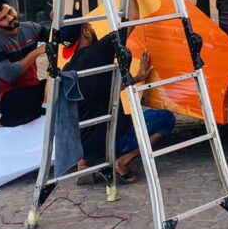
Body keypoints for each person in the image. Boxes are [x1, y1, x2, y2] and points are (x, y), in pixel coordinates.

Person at [61, 17, 176, 183]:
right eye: (89, 26)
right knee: (166, 119)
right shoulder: (98, 52)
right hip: (113, 137)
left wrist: (138, 77)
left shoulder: (68, 69)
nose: (92, 28)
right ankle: (123, 162)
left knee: (90, 123)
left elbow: (105, 88)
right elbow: (132, 19)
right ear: (85, 32)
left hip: (83, 144)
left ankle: (84, 163)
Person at [0, 0, 49, 127]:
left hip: (33, 88)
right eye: (3, 18)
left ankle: (36, 111)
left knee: (61, 84)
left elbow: (55, 37)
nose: (10, 18)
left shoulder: (31, 28)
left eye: (10, 11)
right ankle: (33, 111)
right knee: (22, 101)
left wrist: (56, 22)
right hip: (8, 96)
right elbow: (9, 74)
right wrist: (36, 52)